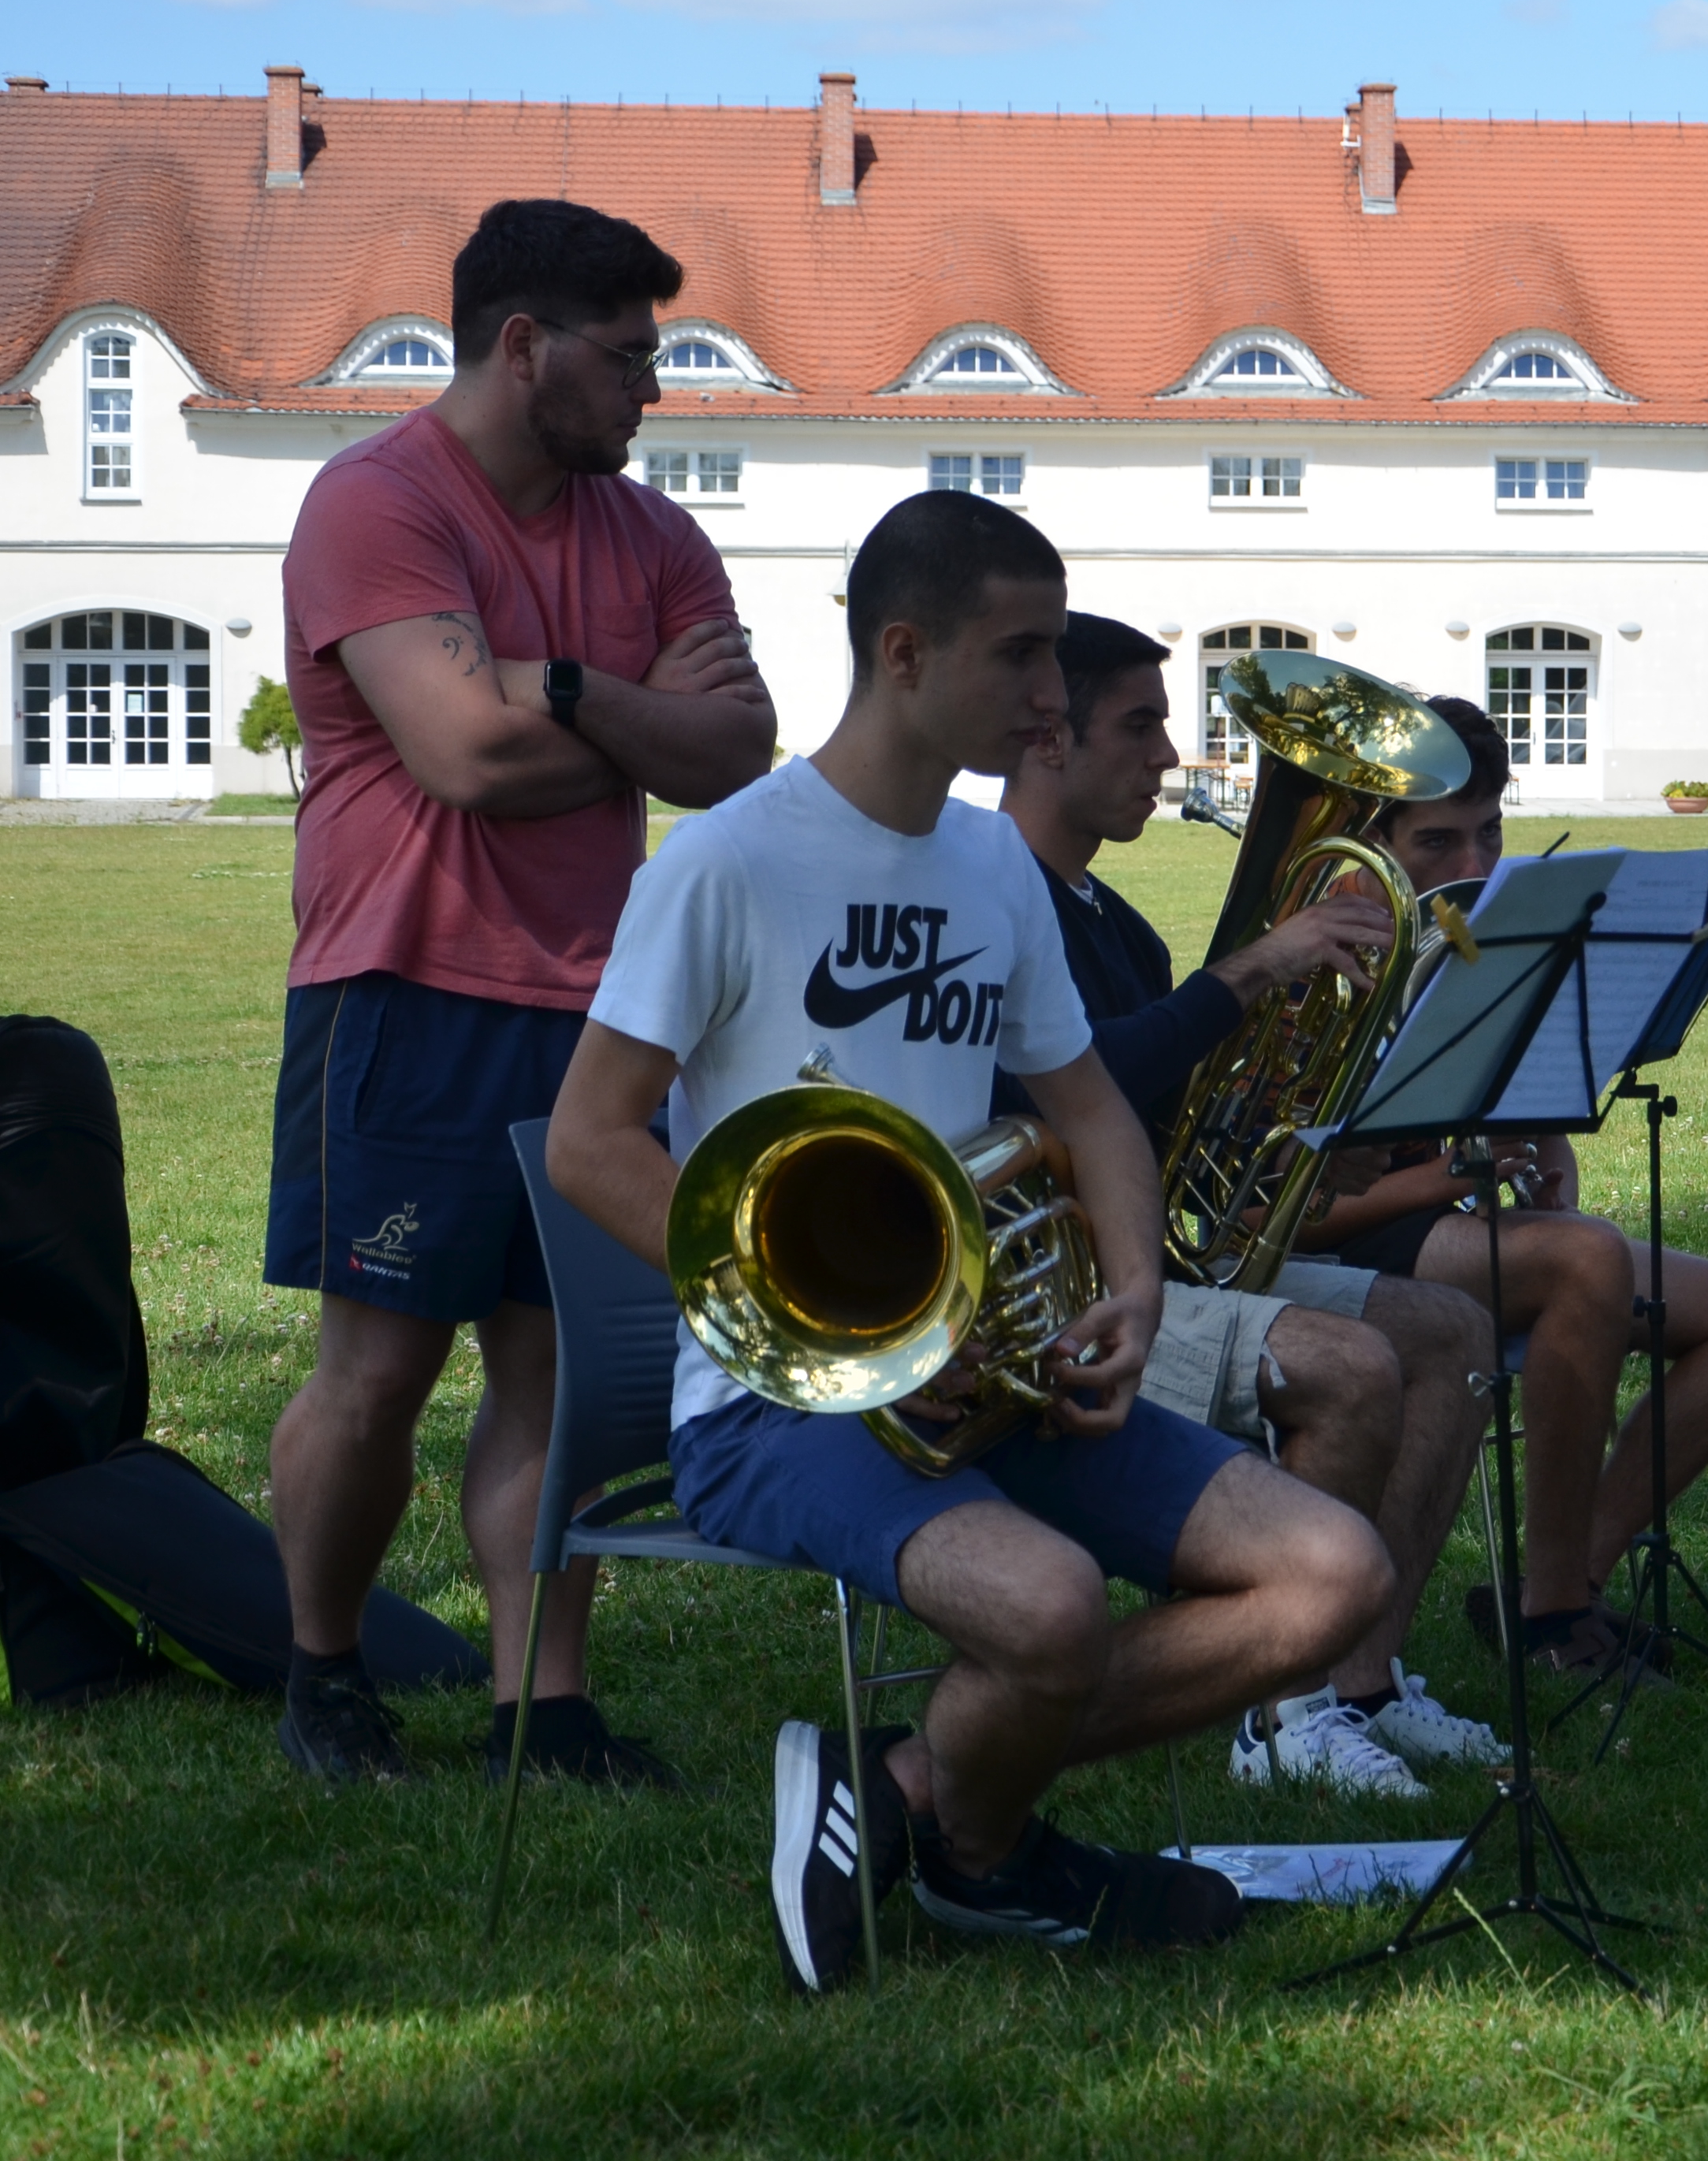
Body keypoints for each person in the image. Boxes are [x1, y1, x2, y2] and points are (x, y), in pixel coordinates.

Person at [545, 493, 1394, 1992]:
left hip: (990, 1359)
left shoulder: (993, 865)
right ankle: (993, 1854)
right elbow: (590, 1137)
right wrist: (834, 1345)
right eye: (1024, 656)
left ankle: (920, 1793)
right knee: (1051, 1604)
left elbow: (1086, 1111)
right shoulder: (724, 862)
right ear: (903, 651)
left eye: (1056, 656)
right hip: (774, 1398)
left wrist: (1132, 1286)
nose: (1052, 696)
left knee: (1331, 1572)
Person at [263, 199, 776, 1787]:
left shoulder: (652, 531)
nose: (651, 394)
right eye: (628, 360)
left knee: (558, 1365)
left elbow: (736, 755)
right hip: (402, 985)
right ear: (522, 345)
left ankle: (536, 1708)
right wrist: (624, 722)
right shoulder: (376, 505)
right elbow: (462, 759)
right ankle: (323, 1671)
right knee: (382, 1369)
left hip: (600, 1010)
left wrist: (556, 685)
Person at [992, 614, 1501, 1803]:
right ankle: (1281, 1716)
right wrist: (1253, 971)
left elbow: (1155, 1130)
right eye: (1141, 723)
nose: (1169, 755)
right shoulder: (997, 899)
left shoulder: (1118, 923)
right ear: (1050, 739)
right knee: (1355, 1364)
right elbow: (1057, 1091)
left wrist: (1304, 1160)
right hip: (1057, 1300)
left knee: (1449, 1330)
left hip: (1156, 1268)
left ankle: (1363, 1684)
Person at [1298, 697, 1708, 1683]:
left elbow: (1504, 1113)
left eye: (1490, 833)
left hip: (1443, 1227)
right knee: (1584, 1259)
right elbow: (1293, 1209)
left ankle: (1556, 1578)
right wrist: (1461, 1175)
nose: (1473, 868)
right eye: (1436, 842)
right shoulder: (1316, 964)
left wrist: (1537, 1141)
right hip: (1343, 1250)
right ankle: (1557, 1612)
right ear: (1373, 843)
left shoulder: (1477, 941)